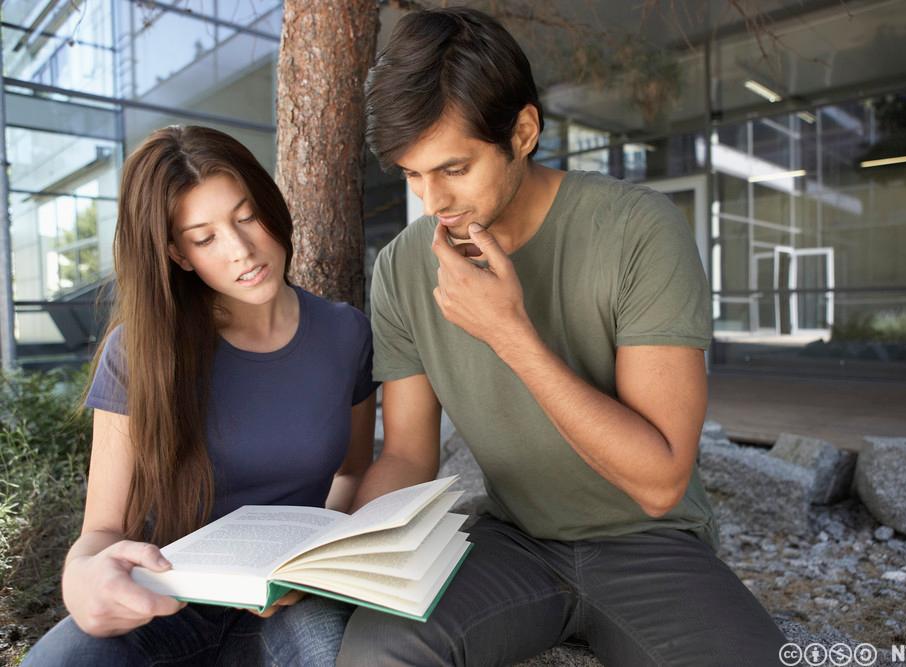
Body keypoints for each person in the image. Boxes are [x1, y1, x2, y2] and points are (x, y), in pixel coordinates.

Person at [337, 7, 786, 667]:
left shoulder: (638, 230)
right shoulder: (403, 267)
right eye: (412, 173)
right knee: (380, 654)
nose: (432, 200)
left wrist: (510, 333)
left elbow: (660, 481)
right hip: (513, 541)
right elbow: (406, 455)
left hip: (652, 541)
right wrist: (337, 557)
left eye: (454, 168)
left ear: (522, 131)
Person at [25, 125, 377, 666]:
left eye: (246, 217)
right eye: (205, 237)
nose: (241, 250)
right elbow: (100, 530)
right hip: (167, 596)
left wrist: (316, 564)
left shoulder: (346, 333)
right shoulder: (140, 351)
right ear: (178, 254)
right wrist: (83, 582)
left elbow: (353, 472)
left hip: (293, 598)